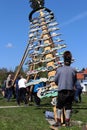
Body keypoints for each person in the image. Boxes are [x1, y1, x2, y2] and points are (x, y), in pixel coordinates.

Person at [54, 51, 77, 127]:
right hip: (70, 91)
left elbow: (55, 80)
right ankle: (67, 122)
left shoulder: (59, 70)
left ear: (63, 60)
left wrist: (59, 84)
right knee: (68, 106)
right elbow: (74, 81)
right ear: (70, 60)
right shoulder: (73, 70)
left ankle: (58, 122)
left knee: (59, 107)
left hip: (61, 90)